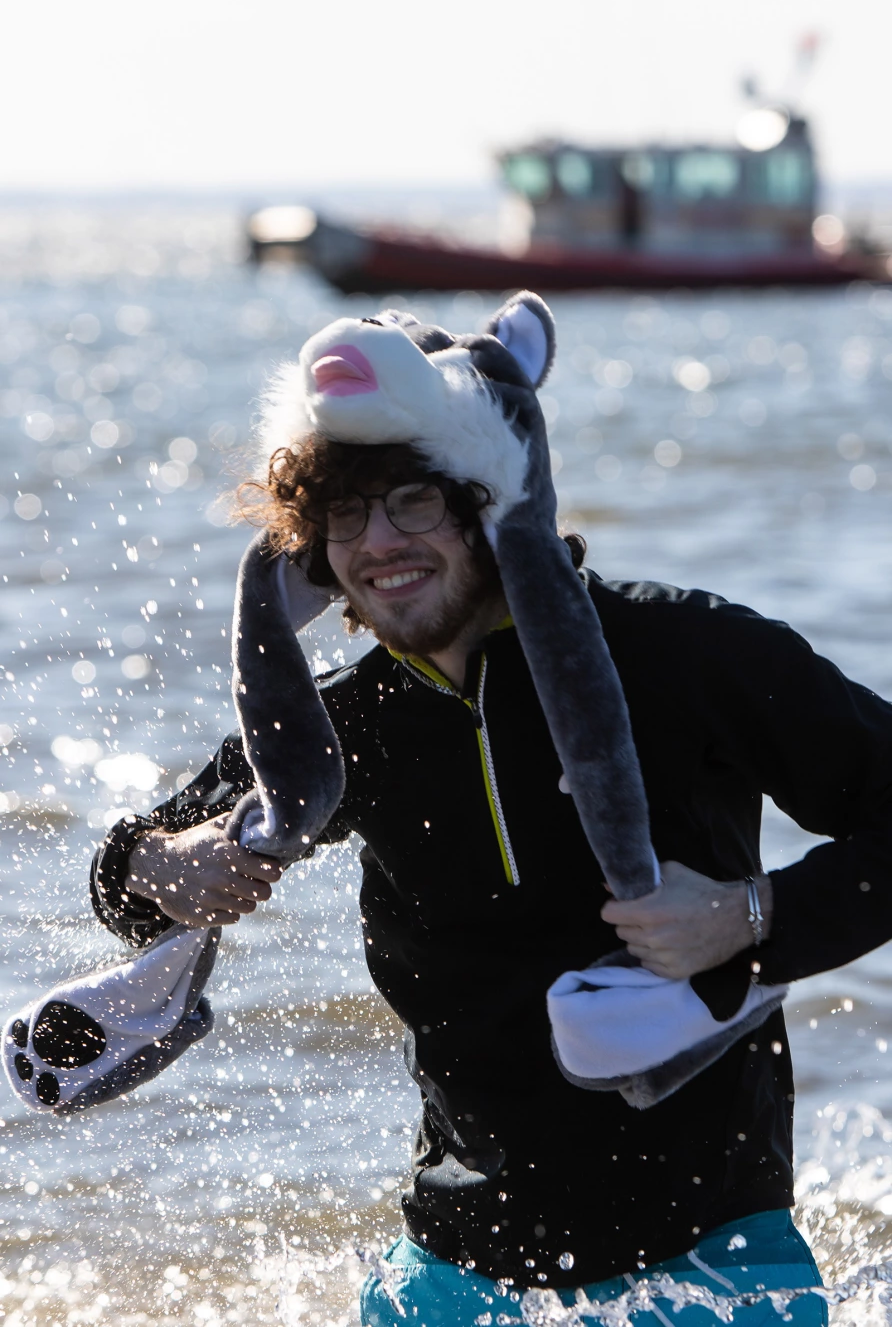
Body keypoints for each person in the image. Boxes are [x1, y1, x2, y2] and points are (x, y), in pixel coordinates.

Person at [88, 300, 892, 1327]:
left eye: (412, 500)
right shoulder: (342, 729)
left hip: (712, 1254)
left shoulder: (681, 654)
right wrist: (158, 864)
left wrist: (750, 917)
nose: (379, 542)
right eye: (346, 515)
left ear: (487, 500)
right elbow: (129, 877)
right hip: (455, 1265)